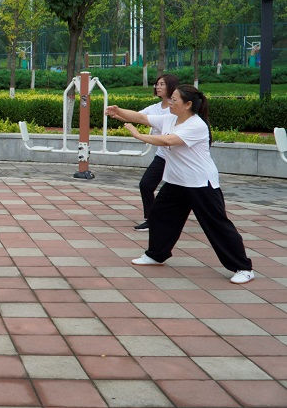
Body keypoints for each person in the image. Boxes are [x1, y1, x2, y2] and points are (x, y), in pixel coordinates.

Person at [106, 84, 254, 284]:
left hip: (200, 183)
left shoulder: (196, 125)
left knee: (217, 225)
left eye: (174, 99)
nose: (170, 102)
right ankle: (156, 254)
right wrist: (118, 111)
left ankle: (243, 267)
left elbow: (168, 141)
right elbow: (141, 118)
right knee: (159, 215)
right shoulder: (170, 118)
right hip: (177, 181)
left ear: (188, 104)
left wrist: (139, 136)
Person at [132, 73, 179, 231]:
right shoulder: (155, 108)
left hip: (180, 157)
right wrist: (117, 112)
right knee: (146, 185)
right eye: (157, 84)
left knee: (189, 192)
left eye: (162, 84)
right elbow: (138, 116)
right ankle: (151, 220)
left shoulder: (177, 108)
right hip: (163, 156)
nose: (157, 87)